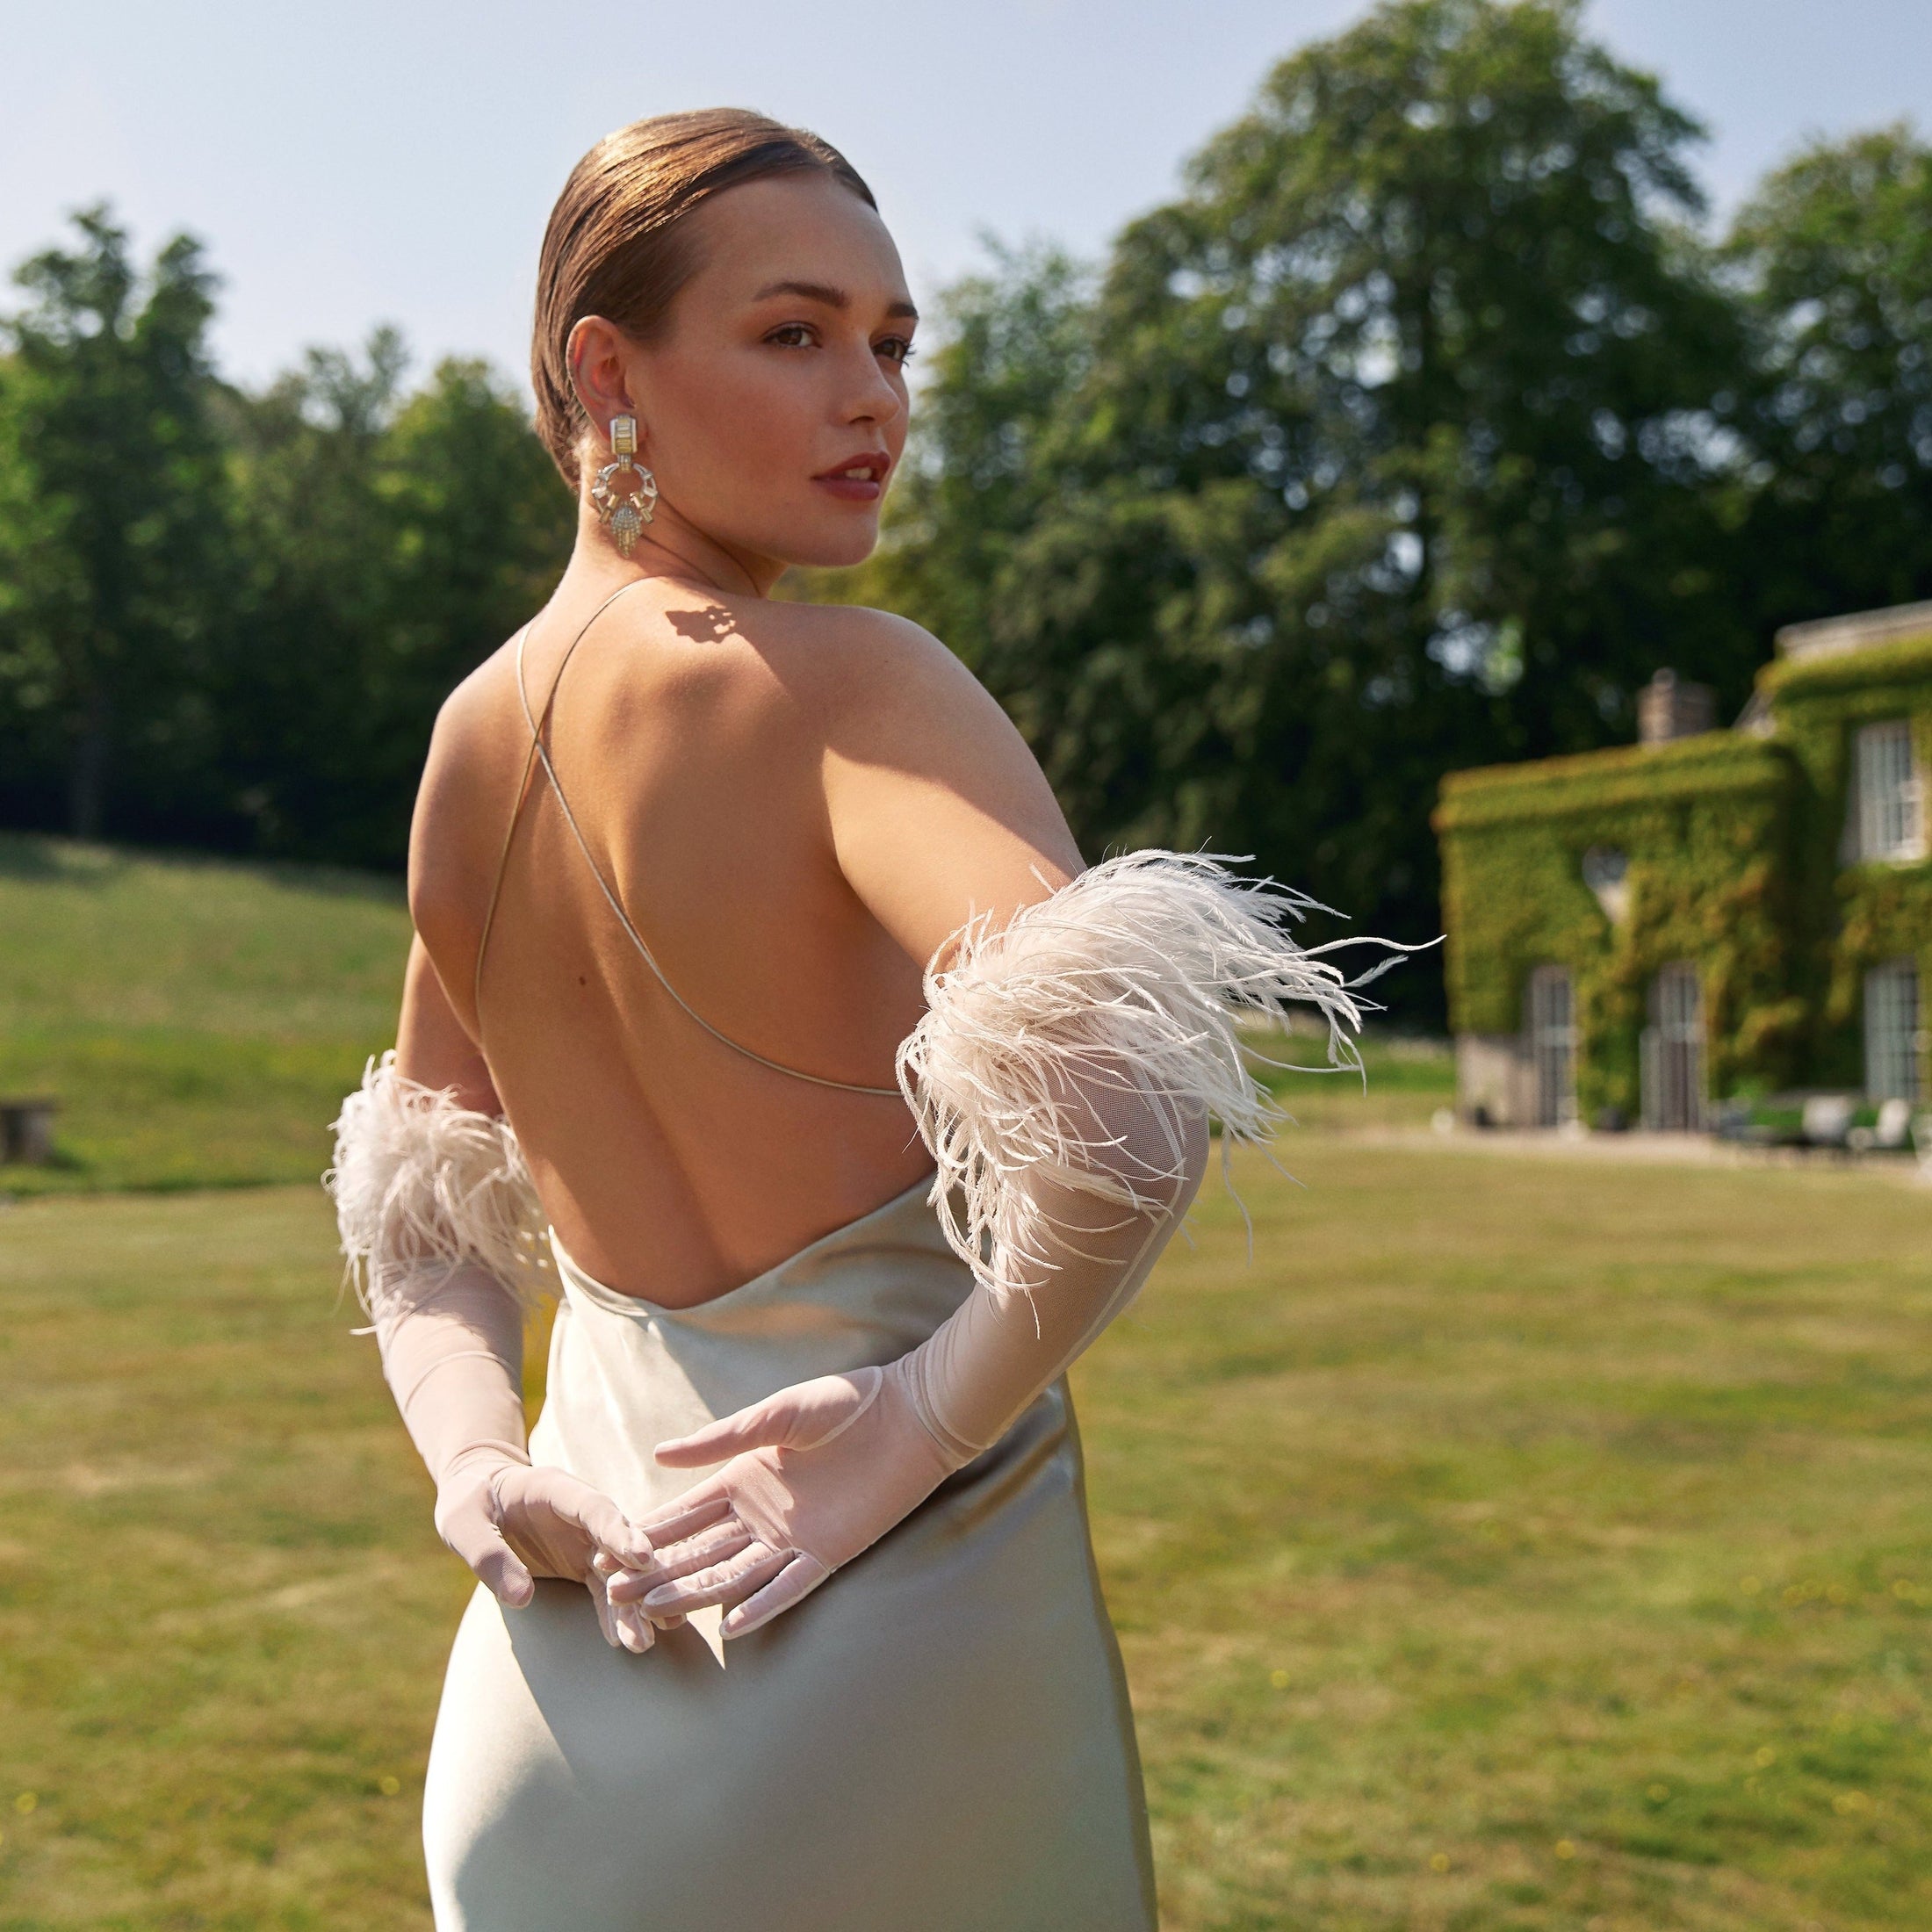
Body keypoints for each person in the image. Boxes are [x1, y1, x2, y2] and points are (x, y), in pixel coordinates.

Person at [326, 108, 1381, 1932]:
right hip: (881, 1678)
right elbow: (1129, 1105)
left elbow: (415, 1218)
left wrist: (480, 1463)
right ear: (606, 372)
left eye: (892, 343)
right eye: (795, 333)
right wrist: (909, 1424)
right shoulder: (852, 688)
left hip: (547, 1712)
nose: (873, 398)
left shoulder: (461, 748)